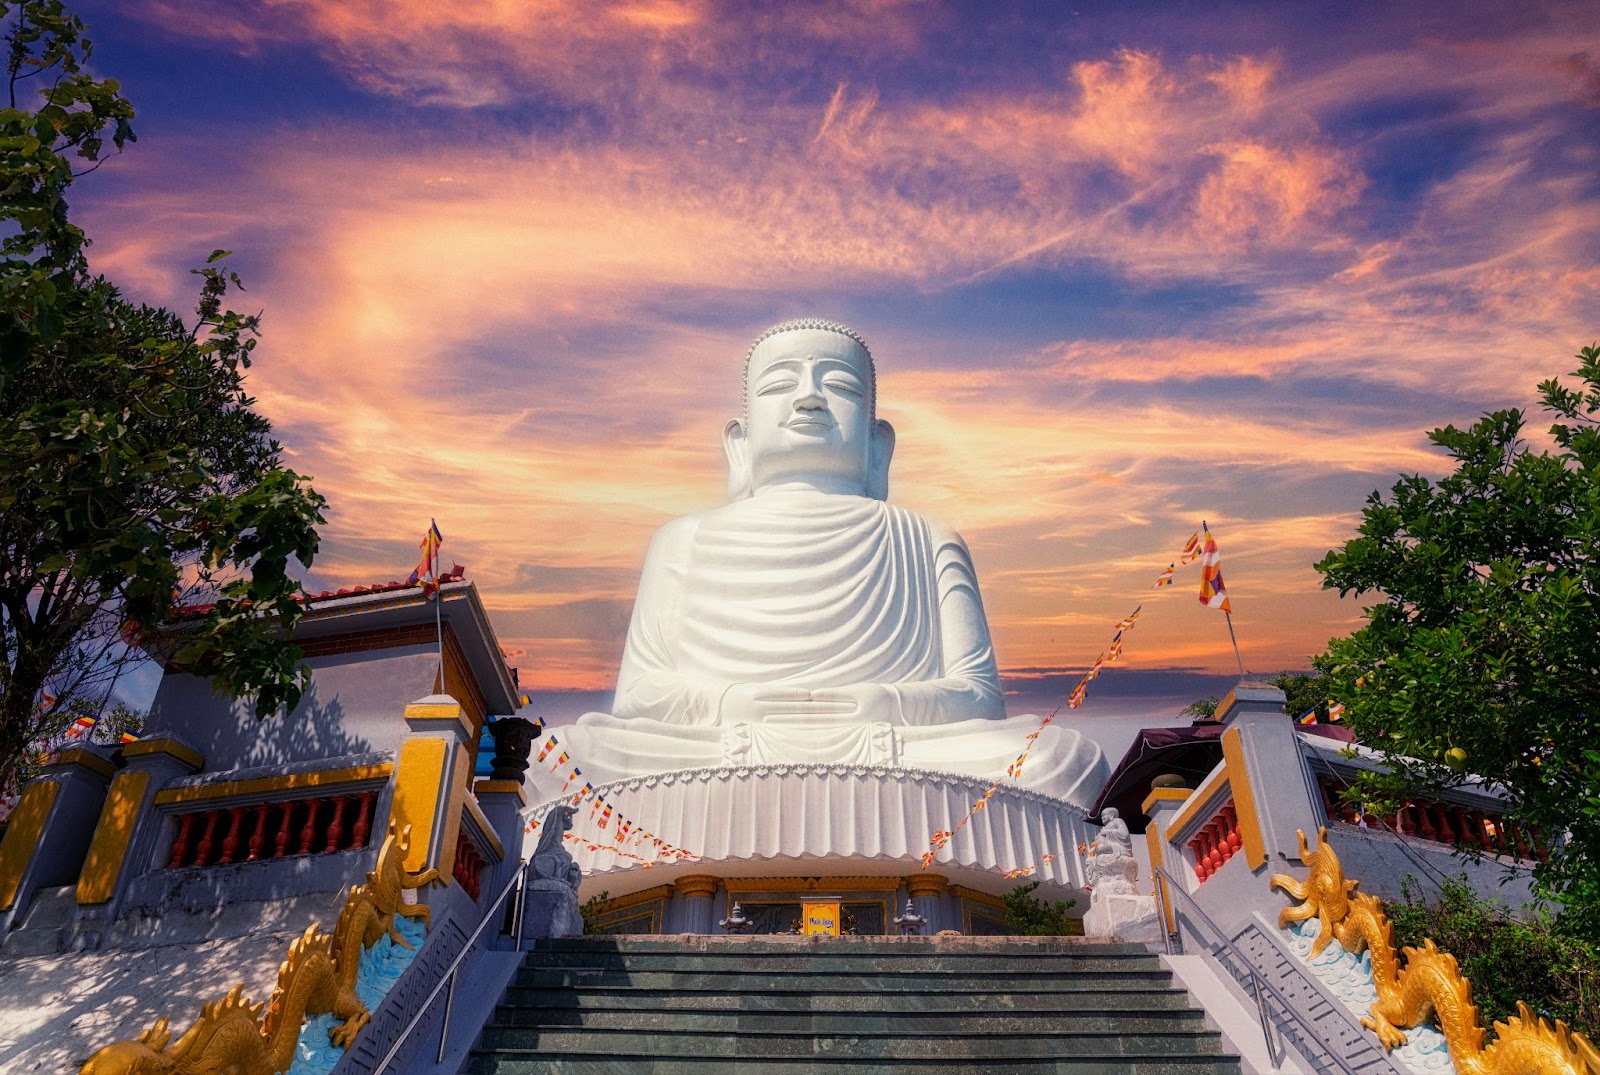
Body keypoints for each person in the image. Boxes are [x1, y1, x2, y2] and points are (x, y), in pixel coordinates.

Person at [559, 319, 1107, 808]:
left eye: (839, 387)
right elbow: (638, 696)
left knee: (1059, 757)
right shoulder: (684, 538)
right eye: (779, 386)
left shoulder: (927, 537)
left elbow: (978, 697)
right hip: (721, 744)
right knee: (568, 757)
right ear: (739, 442)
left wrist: (885, 701)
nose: (809, 401)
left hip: (895, 747)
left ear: (878, 442)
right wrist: (733, 701)